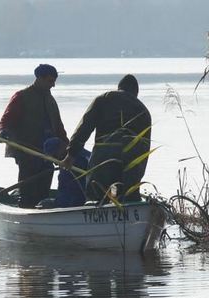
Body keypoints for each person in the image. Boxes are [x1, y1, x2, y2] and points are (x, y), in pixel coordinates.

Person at [62, 74, 151, 203]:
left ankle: (95, 214)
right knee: (129, 198)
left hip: (105, 154)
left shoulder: (104, 99)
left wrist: (71, 154)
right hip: (133, 159)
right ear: (136, 92)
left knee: (96, 193)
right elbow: (145, 148)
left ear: (119, 87)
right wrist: (137, 175)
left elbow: (84, 128)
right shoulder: (143, 110)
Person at [0, 64, 67, 208]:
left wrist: (67, 146)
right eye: (50, 81)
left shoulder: (50, 100)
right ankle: (26, 208)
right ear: (39, 78)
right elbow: (7, 119)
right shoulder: (22, 96)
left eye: (54, 81)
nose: (53, 85)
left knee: (44, 187)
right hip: (27, 151)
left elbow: (58, 126)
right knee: (28, 187)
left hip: (48, 153)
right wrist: (3, 131)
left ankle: (40, 211)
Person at [42, 137, 90, 208]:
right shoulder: (86, 154)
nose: (54, 162)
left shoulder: (68, 165)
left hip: (76, 203)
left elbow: (68, 194)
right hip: (88, 198)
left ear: (61, 147)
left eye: (54, 156)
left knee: (45, 203)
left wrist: (55, 203)